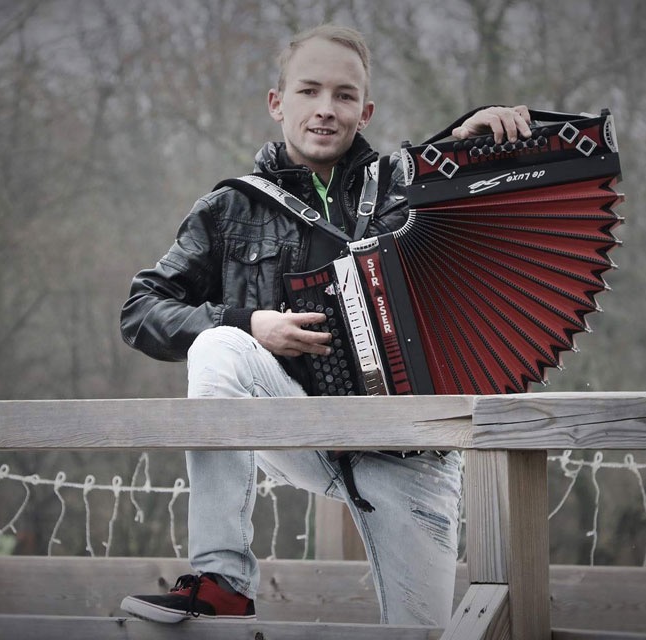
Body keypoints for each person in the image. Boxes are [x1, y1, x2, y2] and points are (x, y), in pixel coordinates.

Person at [118, 24, 531, 626]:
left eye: (343, 96)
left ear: (364, 112)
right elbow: (142, 309)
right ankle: (222, 579)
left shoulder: (407, 184)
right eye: (309, 91)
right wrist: (249, 322)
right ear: (276, 102)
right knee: (220, 348)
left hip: (411, 450)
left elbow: (489, 204)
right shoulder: (229, 208)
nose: (325, 109)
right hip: (299, 425)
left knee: (423, 634)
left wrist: (482, 141)